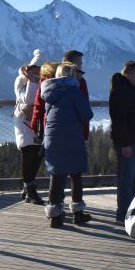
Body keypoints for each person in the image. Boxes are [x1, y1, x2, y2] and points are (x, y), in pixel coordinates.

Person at [41, 63, 94, 228]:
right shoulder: (73, 91)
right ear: (72, 76)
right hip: (71, 137)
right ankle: (77, 213)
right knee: (75, 174)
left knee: (56, 176)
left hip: (52, 137)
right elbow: (87, 114)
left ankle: (55, 216)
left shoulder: (50, 92)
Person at [109, 61, 135, 223]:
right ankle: (123, 214)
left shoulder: (133, 91)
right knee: (126, 180)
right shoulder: (122, 92)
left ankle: (130, 212)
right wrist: (125, 144)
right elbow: (119, 121)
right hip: (128, 143)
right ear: (129, 74)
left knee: (134, 180)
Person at [13, 50, 45, 205]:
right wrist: (32, 82)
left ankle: (27, 188)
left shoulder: (44, 80)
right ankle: (31, 190)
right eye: (35, 68)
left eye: (39, 69)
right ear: (30, 68)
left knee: (38, 155)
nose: (37, 71)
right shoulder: (20, 81)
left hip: (39, 121)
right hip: (25, 122)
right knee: (28, 153)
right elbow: (27, 100)